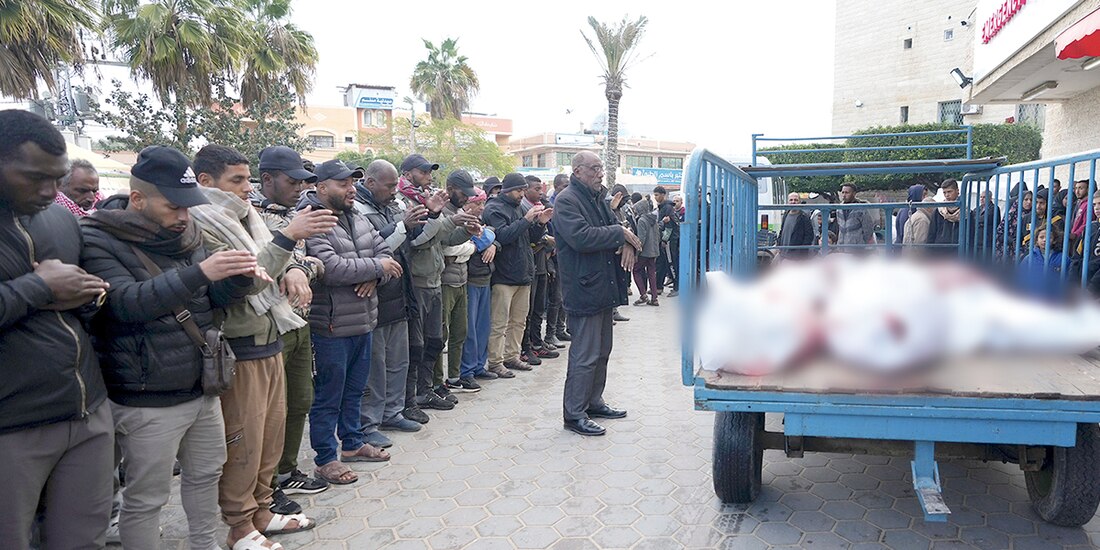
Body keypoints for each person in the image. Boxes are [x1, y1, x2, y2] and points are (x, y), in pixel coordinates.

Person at [80, 146, 257, 549]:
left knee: (206, 475)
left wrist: (239, 277)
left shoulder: (188, 235)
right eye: (173, 207)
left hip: (201, 386)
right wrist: (200, 273)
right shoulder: (98, 237)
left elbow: (208, 302)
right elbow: (124, 305)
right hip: (146, 396)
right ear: (138, 199)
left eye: (188, 207)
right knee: (147, 498)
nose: (183, 216)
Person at [190, 148, 338, 550]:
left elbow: (285, 262)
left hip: (272, 334)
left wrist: (294, 261)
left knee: (270, 438)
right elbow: (249, 278)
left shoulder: (247, 217)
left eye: (247, 179)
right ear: (205, 181)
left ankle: (261, 511)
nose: (246, 188)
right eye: (236, 180)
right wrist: (289, 238)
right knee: (244, 440)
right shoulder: (202, 222)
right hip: (240, 344)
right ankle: (239, 526)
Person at [0, 110, 114, 550]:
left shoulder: (59, 219)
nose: (50, 191)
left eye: (57, 178)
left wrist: (89, 296)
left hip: (85, 410)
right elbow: (44, 290)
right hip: (13, 423)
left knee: (84, 540)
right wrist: (38, 287)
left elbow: (81, 306)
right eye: (35, 178)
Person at [235, 145, 331, 512]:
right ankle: (265, 485)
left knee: (300, 400)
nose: (300, 188)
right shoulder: (249, 217)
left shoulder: (295, 215)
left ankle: (287, 471)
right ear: (268, 179)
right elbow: (254, 269)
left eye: (303, 182)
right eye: (293, 182)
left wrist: (298, 268)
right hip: (267, 325)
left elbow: (314, 263)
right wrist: (292, 264)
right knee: (267, 414)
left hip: (298, 319)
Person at [301, 159, 401, 486]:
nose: (351, 189)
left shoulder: (357, 217)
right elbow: (329, 268)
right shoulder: (313, 220)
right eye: (342, 184)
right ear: (321, 187)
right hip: (331, 326)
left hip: (364, 320)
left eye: (352, 183)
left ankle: (353, 443)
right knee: (328, 396)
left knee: (355, 390)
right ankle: (325, 458)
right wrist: (376, 268)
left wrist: (375, 275)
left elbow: (388, 257)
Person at [555, 150, 640, 436]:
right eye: (594, 168)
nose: (600, 173)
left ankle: (593, 401)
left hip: (603, 286)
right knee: (585, 354)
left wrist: (625, 241)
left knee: (602, 351)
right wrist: (620, 234)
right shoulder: (567, 200)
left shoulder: (597, 198)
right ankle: (574, 414)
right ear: (577, 171)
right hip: (584, 288)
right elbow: (581, 237)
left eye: (601, 168)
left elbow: (615, 228)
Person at [355, 160, 431, 440]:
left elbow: (412, 242)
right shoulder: (359, 211)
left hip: (399, 293)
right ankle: (369, 423)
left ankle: (393, 413)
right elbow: (374, 248)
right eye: (389, 186)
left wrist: (430, 215)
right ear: (370, 182)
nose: (393, 191)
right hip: (375, 297)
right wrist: (402, 226)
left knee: (399, 361)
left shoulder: (391, 206)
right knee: (376, 366)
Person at [400, 154, 477, 410]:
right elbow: (417, 241)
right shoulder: (405, 203)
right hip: (418, 281)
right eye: (423, 172)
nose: (429, 177)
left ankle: (427, 390)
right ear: (408, 173)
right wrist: (446, 220)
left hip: (434, 278)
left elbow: (443, 239)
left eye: (430, 172)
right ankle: (413, 396)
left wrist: (465, 231)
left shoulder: (426, 200)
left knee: (435, 340)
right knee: (417, 344)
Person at [482, 173, 552, 377]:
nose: (522, 194)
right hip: (504, 276)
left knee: (519, 321)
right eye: (519, 190)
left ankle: (512, 356)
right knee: (499, 323)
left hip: (523, 273)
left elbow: (529, 239)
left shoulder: (520, 208)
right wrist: (526, 219)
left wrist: (540, 223)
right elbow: (502, 236)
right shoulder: (494, 209)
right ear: (506, 190)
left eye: (523, 190)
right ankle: (495, 361)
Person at [440, 170, 485, 391]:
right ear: (450, 189)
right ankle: (436, 382)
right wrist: (468, 248)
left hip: (461, 278)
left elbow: (473, 244)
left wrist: (466, 248)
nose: (467, 198)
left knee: (460, 332)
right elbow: (445, 247)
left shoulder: (460, 212)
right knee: (441, 335)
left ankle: (455, 377)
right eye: (463, 193)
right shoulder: (441, 212)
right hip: (444, 281)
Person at [459, 189, 502, 384]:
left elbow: (492, 236)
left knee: (483, 326)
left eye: (483, 203)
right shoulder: (461, 221)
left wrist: (493, 243)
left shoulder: (481, 221)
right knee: (470, 328)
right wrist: (488, 238)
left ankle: (479, 365)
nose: (482, 208)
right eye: (478, 203)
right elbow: (479, 240)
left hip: (485, 277)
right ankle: (467, 370)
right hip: (469, 279)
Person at [520, 175, 560, 366]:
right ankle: (525, 347)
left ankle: (537, 342)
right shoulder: (524, 209)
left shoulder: (540, 207)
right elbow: (530, 238)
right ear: (526, 189)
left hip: (542, 263)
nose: (540, 192)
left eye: (541, 189)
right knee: (527, 310)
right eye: (536, 189)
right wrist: (545, 239)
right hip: (530, 264)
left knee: (538, 308)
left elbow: (547, 235)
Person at [544, 174, 571, 346]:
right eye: (564, 186)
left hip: (565, 255)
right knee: (556, 296)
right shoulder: (551, 205)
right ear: (556, 187)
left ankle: (561, 329)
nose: (567, 189)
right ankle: (551, 333)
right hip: (552, 256)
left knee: (564, 295)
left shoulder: (568, 203)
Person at [1018, 223, 1066, 301]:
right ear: (1037, 240)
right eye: (1041, 237)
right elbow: (1021, 279)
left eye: (1049, 237)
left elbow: (1069, 279)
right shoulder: (1029, 258)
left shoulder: (1063, 258)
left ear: (1054, 240)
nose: (1044, 240)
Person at [630, 195, 660, 306]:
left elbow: (641, 239)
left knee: (636, 271)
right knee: (652, 274)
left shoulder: (642, 220)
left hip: (644, 252)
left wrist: (636, 253)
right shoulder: (654, 220)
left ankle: (643, 295)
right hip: (653, 251)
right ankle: (654, 298)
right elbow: (658, 236)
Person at [653, 186, 680, 298]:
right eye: (654, 195)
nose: (655, 197)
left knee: (671, 262)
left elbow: (669, 226)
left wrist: (664, 240)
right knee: (662, 263)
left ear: (663, 195)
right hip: (664, 239)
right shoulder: (662, 207)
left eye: (657, 195)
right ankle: (658, 287)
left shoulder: (667, 208)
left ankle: (677, 287)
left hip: (670, 240)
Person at [836, 183, 875, 252]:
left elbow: (868, 228)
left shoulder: (861, 209)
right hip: (842, 247)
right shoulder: (839, 208)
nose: (844, 195)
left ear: (854, 193)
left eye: (847, 193)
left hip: (857, 248)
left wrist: (860, 242)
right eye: (843, 192)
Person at [928, 180, 962, 256]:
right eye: (944, 192)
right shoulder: (938, 211)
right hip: (939, 253)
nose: (947, 195)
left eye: (949, 192)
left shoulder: (966, 212)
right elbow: (931, 234)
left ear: (957, 191)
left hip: (959, 254)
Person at [779, 192, 815, 259]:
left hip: (796, 257)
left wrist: (801, 253)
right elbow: (782, 231)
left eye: (795, 200)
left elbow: (809, 236)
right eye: (791, 200)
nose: (793, 202)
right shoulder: (785, 215)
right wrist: (779, 245)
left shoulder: (804, 217)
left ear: (799, 202)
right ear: (788, 202)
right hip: (783, 254)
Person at [969, 190, 1001, 260]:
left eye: (984, 197)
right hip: (976, 240)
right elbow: (972, 219)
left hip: (988, 241)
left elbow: (985, 219)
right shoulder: (977, 209)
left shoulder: (994, 208)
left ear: (990, 198)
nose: (981, 199)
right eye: (981, 197)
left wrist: (977, 220)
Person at [902, 187, 934, 257]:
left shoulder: (914, 214)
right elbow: (920, 243)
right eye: (923, 195)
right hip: (916, 258)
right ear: (929, 208)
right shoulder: (923, 220)